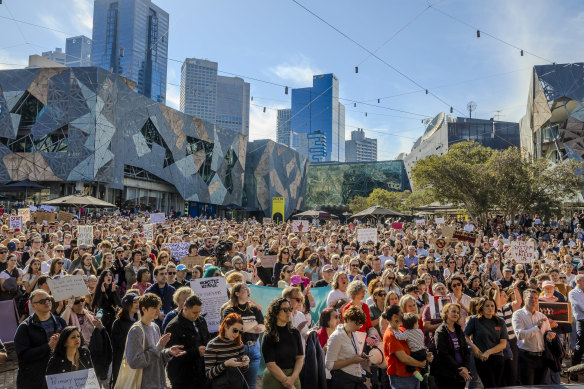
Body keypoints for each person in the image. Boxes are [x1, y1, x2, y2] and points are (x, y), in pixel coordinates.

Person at [122, 293, 186, 389]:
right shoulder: (136, 331)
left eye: (159, 308)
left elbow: (157, 356)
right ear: (143, 309)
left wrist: (167, 352)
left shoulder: (155, 327)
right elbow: (134, 362)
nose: (158, 311)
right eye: (154, 308)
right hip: (143, 385)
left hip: (159, 384)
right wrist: (159, 347)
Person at [14, 289, 67, 389]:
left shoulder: (60, 322)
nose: (47, 302)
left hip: (58, 374)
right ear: (33, 306)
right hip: (34, 379)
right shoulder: (25, 327)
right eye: (42, 301)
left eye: (48, 299)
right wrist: (48, 346)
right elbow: (23, 356)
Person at [221, 283, 265, 389]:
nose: (248, 290)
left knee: (251, 385)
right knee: (236, 384)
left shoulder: (254, 309)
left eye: (248, 288)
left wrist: (244, 327)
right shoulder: (230, 310)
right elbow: (234, 329)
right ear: (237, 293)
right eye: (244, 289)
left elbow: (263, 327)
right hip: (237, 349)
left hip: (254, 348)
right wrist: (254, 324)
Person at [513, 288, 556, 385]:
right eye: (531, 297)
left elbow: (547, 333)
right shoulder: (517, 315)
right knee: (527, 386)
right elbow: (520, 335)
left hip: (542, 358)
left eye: (536, 298)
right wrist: (537, 327)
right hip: (526, 357)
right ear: (524, 298)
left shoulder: (542, 316)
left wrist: (550, 335)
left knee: (540, 386)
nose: (534, 300)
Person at [166, 294, 209, 389]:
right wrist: (196, 352)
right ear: (185, 309)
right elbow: (172, 355)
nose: (197, 315)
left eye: (199, 312)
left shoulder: (201, 320)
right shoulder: (173, 326)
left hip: (201, 375)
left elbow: (207, 340)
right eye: (194, 313)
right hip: (183, 378)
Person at [383, 304, 430, 389]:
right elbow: (404, 358)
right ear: (394, 317)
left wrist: (426, 355)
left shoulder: (402, 329)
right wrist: (421, 363)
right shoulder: (390, 335)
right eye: (401, 313)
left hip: (411, 376)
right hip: (401, 378)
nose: (404, 315)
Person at [464, 297, 508, 388]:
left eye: (492, 306)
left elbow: (503, 344)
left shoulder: (500, 321)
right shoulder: (475, 320)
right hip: (482, 358)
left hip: (498, 358)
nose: (490, 308)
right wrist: (473, 347)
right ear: (481, 307)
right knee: (489, 385)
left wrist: (488, 352)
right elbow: (465, 336)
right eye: (487, 306)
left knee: (497, 386)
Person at [262, 297, 304, 389]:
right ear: (276, 313)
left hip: (293, 375)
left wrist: (293, 378)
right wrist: (288, 383)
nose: (289, 312)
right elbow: (270, 364)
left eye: (290, 309)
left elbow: (300, 357)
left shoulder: (295, 332)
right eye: (285, 310)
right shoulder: (269, 335)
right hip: (274, 378)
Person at [324, 305, 368, 389]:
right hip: (343, 382)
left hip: (355, 380)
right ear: (348, 320)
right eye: (357, 324)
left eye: (361, 325)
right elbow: (329, 365)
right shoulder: (336, 337)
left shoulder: (353, 333)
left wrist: (360, 355)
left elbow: (350, 353)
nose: (359, 327)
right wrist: (352, 360)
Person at [204, 313, 250, 388]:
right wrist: (225, 364)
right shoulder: (213, 345)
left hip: (237, 385)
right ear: (225, 326)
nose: (237, 334)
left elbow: (243, 371)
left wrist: (245, 363)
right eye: (235, 330)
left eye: (239, 332)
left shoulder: (239, 343)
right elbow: (209, 374)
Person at [433, 303, 472, 389]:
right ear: (446, 313)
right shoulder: (440, 332)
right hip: (447, 374)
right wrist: (460, 369)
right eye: (453, 311)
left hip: (461, 372)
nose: (456, 314)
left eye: (458, 312)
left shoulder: (459, 330)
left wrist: (466, 367)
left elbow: (466, 350)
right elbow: (443, 354)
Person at [111, 293, 140, 385]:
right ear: (127, 305)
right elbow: (119, 344)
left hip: (136, 360)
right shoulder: (118, 323)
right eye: (134, 302)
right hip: (122, 362)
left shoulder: (138, 320)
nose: (137, 305)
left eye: (138, 302)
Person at [394, 313, 425, 381]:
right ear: (414, 324)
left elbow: (398, 337)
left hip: (415, 353)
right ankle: (426, 374)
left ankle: (420, 378)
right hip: (423, 351)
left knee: (409, 367)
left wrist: (394, 331)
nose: (418, 324)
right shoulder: (420, 331)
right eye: (417, 323)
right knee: (423, 364)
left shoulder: (407, 333)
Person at [569, 273, 584, 381]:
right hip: (581, 321)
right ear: (578, 281)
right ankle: (573, 370)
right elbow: (580, 306)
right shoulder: (573, 293)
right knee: (580, 346)